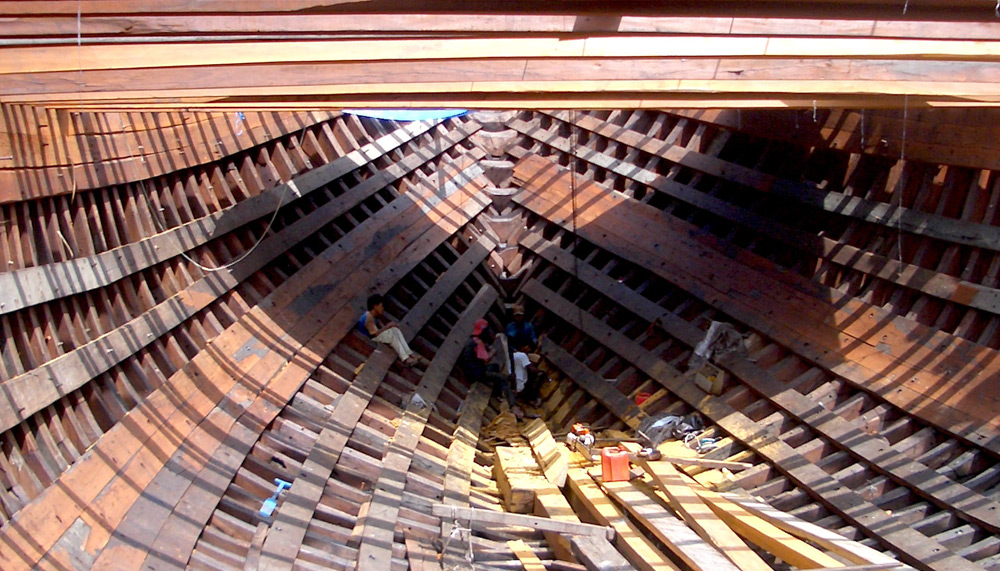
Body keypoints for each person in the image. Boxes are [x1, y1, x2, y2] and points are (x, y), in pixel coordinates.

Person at [459, 319, 522, 419]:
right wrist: (492, 352)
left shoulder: (472, 340)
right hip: (476, 374)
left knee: (495, 367)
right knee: (502, 378)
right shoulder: (478, 342)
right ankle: (513, 406)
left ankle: (497, 393)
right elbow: (486, 359)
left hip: (470, 371)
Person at [358, 294, 419, 367]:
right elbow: (376, 334)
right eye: (381, 306)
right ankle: (406, 359)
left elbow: (382, 327)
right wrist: (389, 326)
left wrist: (390, 328)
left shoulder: (375, 316)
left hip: (375, 336)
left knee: (395, 330)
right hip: (368, 339)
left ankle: (410, 354)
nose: (382, 308)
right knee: (392, 336)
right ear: (375, 306)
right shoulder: (368, 318)